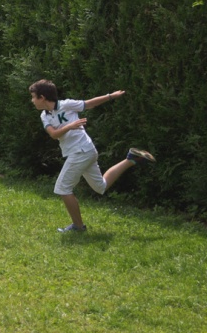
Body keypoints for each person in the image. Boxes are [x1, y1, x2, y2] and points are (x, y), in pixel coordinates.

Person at [29, 79, 156, 233]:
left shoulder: (66, 104)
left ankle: (78, 226)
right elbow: (54, 135)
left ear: (42, 97)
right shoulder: (45, 116)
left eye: (34, 97)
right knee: (100, 187)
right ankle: (131, 159)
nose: (32, 100)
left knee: (63, 188)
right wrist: (70, 126)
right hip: (84, 151)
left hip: (81, 150)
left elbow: (89, 104)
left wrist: (111, 96)